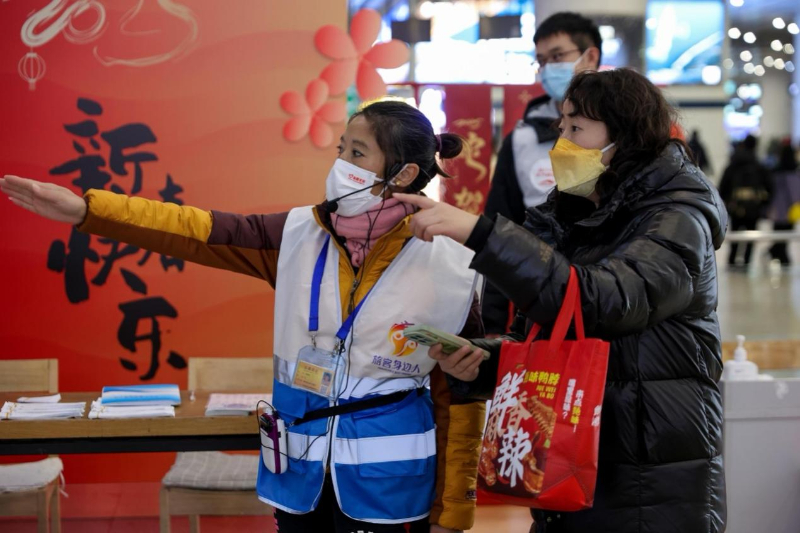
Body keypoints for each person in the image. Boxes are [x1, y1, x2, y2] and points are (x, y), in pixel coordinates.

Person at [1, 101, 487, 533]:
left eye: (357, 154)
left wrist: (452, 513)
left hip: (391, 488)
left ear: (403, 173)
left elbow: (461, 400)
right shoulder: (298, 233)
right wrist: (87, 211)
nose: (340, 164)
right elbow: (193, 229)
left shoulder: (453, 264)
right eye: (340, 149)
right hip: (299, 476)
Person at [395, 68, 727, 533]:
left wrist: (484, 234)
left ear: (626, 135)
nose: (562, 143)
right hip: (570, 462)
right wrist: (488, 361)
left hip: (649, 478)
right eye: (562, 127)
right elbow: (553, 332)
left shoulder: (678, 215)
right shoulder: (573, 212)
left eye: (577, 128)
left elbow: (601, 301)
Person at [482, 12, 602, 336]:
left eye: (558, 56)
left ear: (590, 56)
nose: (549, 68)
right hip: (540, 300)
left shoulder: (630, 129)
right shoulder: (522, 139)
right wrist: (492, 323)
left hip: (614, 296)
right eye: (542, 60)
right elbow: (501, 227)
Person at [718, 134, 773, 267]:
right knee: (750, 238)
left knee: (735, 237)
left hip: (736, 207)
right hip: (754, 208)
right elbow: (770, 187)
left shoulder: (733, 164)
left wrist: (727, 203)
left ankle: (732, 263)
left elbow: (723, 186)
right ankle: (746, 264)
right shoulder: (759, 165)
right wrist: (763, 204)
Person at [768, 140, 799, 265]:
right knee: (785, 237)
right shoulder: (794, 172)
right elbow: (795, 193)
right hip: (790, 210)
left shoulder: (775, 171)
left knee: (778, 236)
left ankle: (777, 254)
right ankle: (783, 258)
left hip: (777, 211)